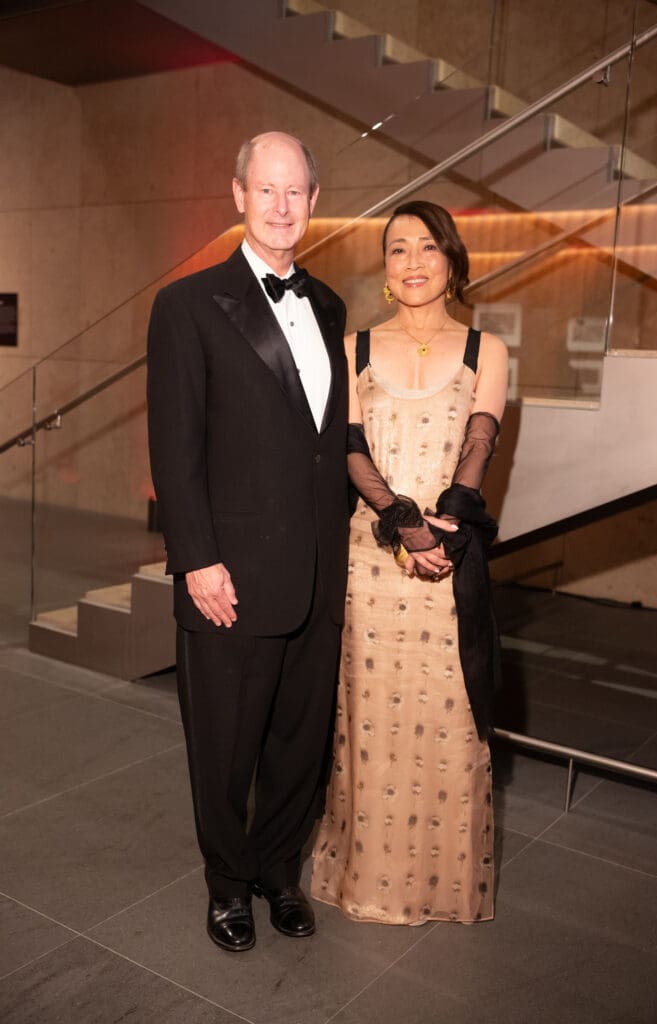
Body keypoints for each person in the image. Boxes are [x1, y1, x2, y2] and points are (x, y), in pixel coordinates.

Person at [147, 132, 349, 952]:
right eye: (266, 189)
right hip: (228, 573)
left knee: (301, 743)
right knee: (226, 747)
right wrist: (197, 558)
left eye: (295, 190)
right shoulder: (188, 305)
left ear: (314, 200)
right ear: (238, 195)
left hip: (318, 570)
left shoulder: (330, 306)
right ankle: (227, 883)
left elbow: (327, 443)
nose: (281, 205)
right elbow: (175, 449)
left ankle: (276, 872)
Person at [310, 200, 508, 925]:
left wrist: (441, 533)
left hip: (450, 561)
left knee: (451, 721)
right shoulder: (353, 347)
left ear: (451, 261)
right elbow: (350, 449)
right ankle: (367, 880)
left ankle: (440, 885)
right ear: (386, 269)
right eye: (398, 249)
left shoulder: (487, 349)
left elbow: (478, 447)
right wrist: (404, 528)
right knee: (368, 723)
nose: (414, 261)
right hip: (373, 562)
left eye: (428, 247)